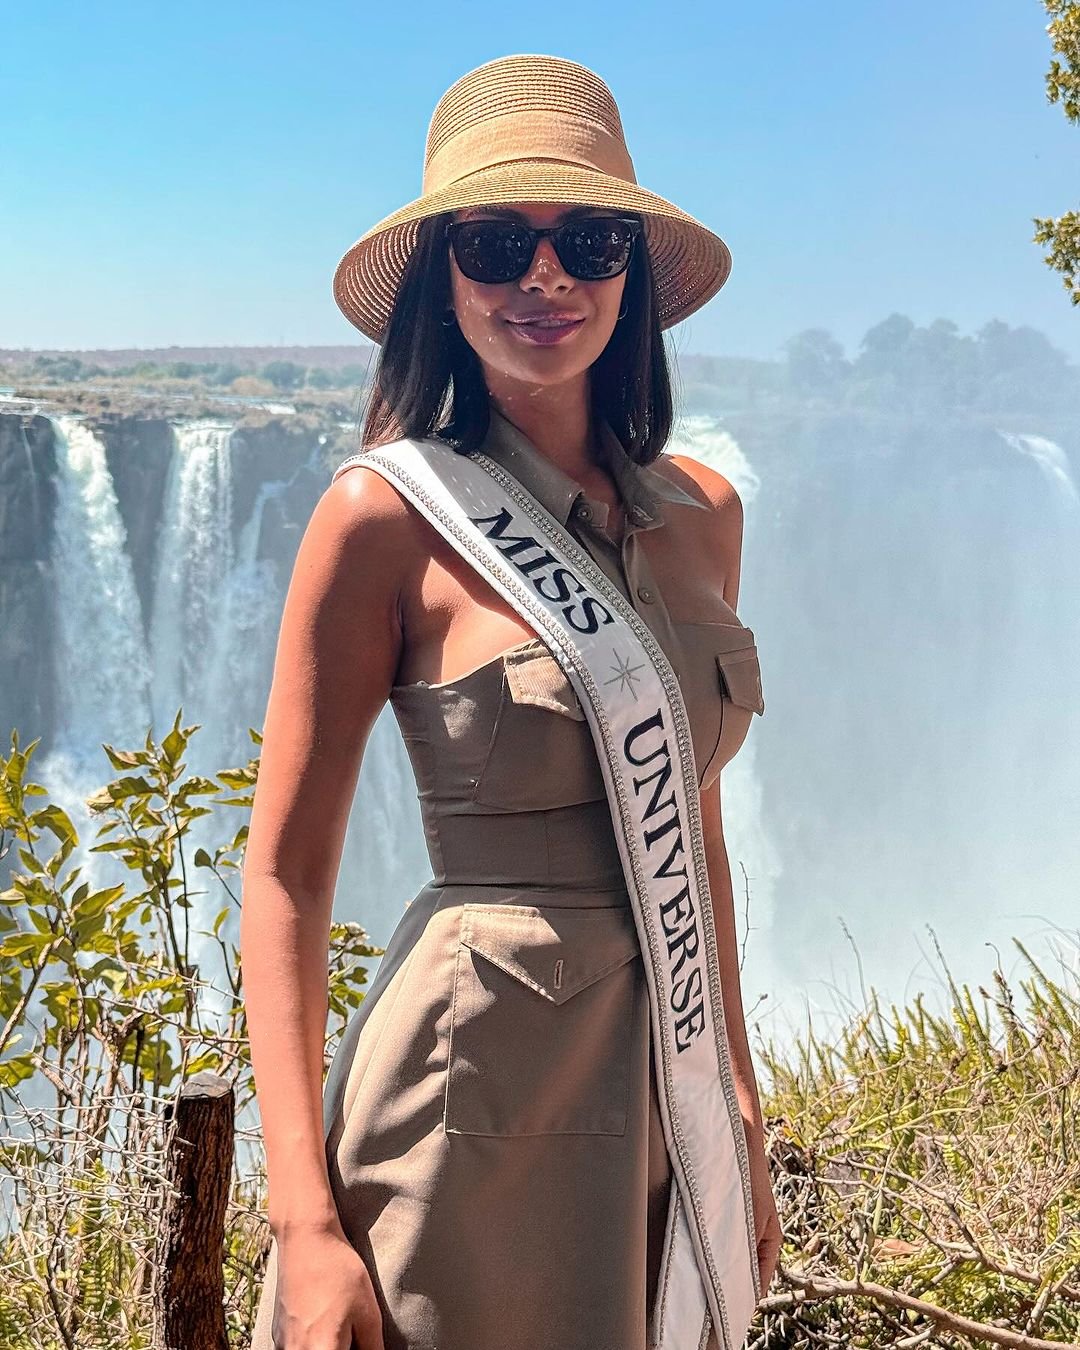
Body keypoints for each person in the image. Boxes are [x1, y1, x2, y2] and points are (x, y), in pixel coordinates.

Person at [241, 52, 781, 1350]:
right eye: (495, 245)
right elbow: (286, 879)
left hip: (666, 1090)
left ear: (629, 276)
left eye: (588, 241)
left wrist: (739, 1100)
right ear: (443, 279)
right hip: (469, 1096)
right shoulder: (384, 517)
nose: (546, 280)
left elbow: (695, 832)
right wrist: (303, 1222)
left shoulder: (705, 516)